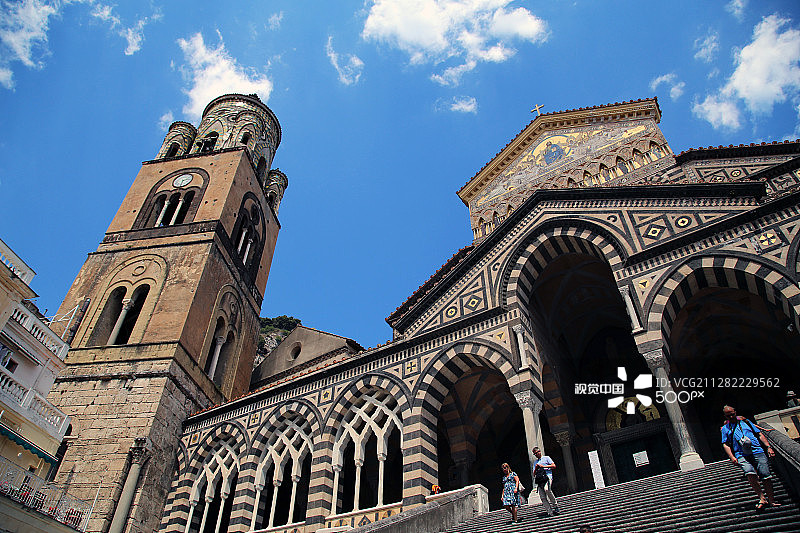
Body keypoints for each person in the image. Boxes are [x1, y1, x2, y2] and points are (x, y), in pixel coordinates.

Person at [720, 405, 780, 511]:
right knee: (749, 473)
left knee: (766, 475)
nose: (731, 417)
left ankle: (771, 500)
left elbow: (759, 434)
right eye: (728, 416)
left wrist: (768, 447)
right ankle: (762, 498)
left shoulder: (746, 422)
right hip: (741, 454)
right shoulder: (725, 429)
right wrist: (732, 457)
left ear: (735, 412)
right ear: (725, 416)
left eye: (732, 414)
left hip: (757, 451)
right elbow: (725, 444)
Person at [533, 446, 559, 516]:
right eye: (534, 454)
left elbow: (554, 466)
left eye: (537, 452)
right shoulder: (535, 462)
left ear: (540, 451)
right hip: (540, 480)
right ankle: (549, 512)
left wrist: (543, 466)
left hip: (547, 477)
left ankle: (555, 506)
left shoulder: (546, 458)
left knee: (547, 489)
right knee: (542, 497)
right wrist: (536, 468)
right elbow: (534, 474)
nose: (536, 454)